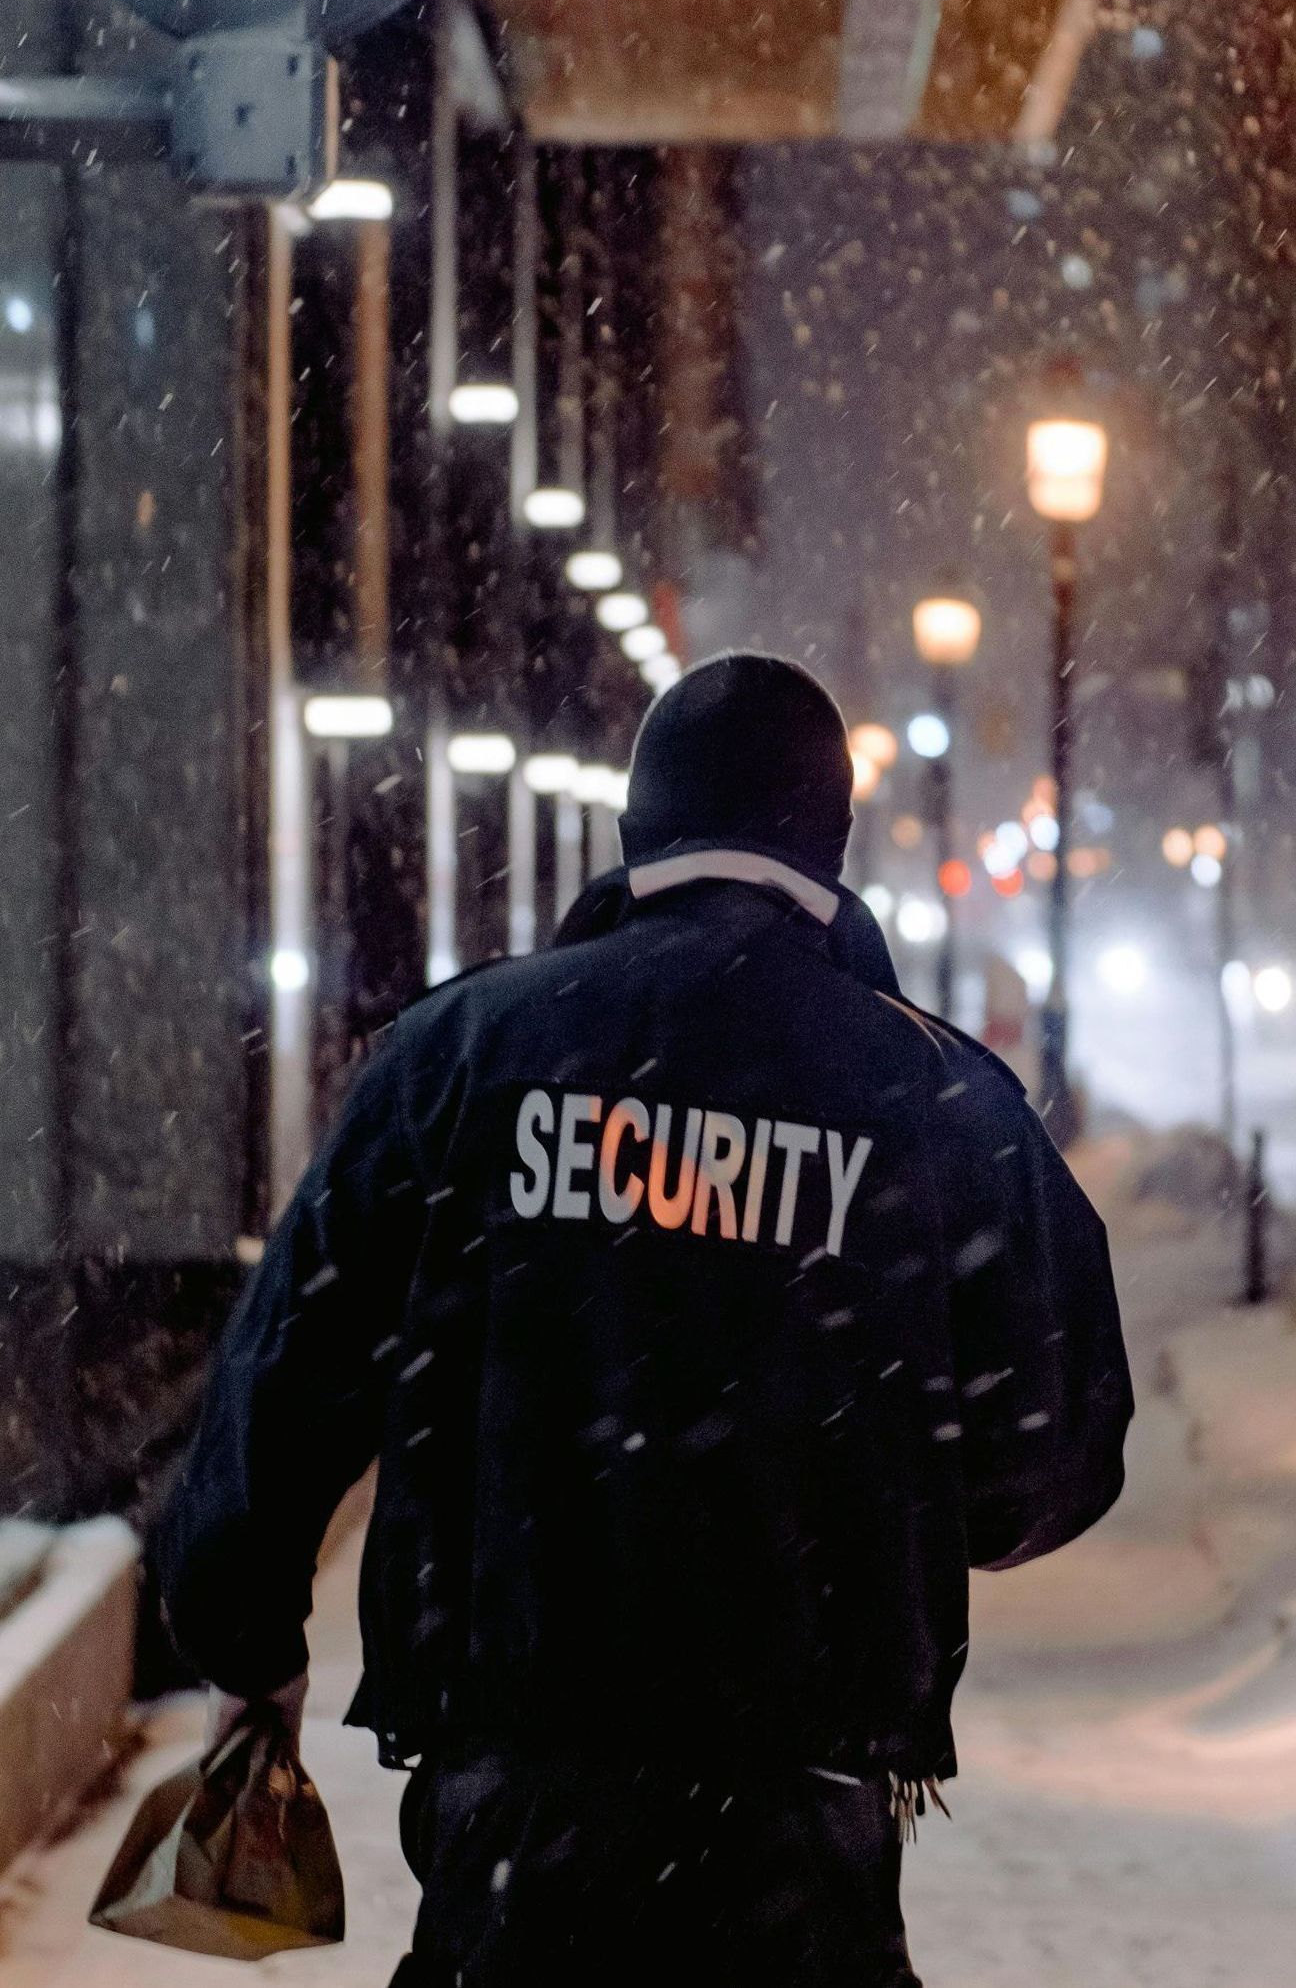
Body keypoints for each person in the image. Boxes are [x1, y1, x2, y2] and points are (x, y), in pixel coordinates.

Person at [156, 652, 1134, 1988]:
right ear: (830, 842)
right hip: (810, 1783)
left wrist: (245, 1630)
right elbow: (1053, 1454)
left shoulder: (463, 1057)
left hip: (512, 1762)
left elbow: (291, 1366)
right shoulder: (940, 1102)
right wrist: (884, 1492)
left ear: (636, 827)